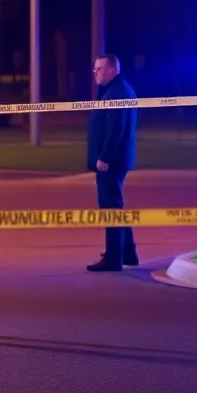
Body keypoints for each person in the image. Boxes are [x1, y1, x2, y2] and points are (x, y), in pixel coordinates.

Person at [85, 53, 139, 271]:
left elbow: (116, 129)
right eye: (94, 69)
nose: (95, 73)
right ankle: (128, 253)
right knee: (116, 205)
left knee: (110, 208)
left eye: (99, 68)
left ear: (112, 70)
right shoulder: (118, 89)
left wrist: (104, 157)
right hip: (117, 159)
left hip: (112, 161)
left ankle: (113, 257)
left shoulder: (117, 92)